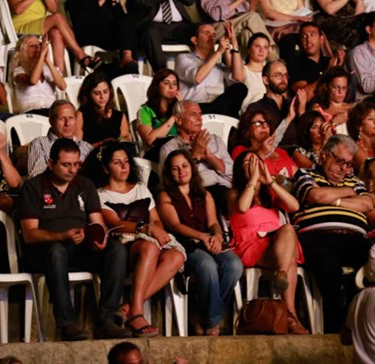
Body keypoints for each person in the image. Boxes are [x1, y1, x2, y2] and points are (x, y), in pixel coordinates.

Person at [19, 138, 132, 341]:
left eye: (75, 164)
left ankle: (107, 320)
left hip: (80, 248)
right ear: (51, 163)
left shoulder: (84, 184)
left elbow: (97, 223)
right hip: (44, 251)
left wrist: (101, 238)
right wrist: (61, 236)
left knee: (117, 250)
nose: (72, 170)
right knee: (56, 250)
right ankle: (67, 323)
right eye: (65, 165)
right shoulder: (33, 187)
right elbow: (29, 233)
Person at [92, 141, 185, 337]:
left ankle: (128, 307)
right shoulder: (100, 195)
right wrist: (146, 229)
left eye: (126, 161)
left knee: (176, 256)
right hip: (123, 245)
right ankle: (137, 314)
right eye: (117, 162)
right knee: (150, 248)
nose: (124, 166)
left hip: (149, 239)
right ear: (105, 167)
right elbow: (114, 223)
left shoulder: (141, 189)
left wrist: (155, 231)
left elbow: (157, 220)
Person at [291, 134, 374, 333]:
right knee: (329, 267)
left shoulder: (354, 180)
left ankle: (365, 320)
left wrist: (334, 200)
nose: (344, 169)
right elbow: (315, 195)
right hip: (317, 237)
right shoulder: (305, 174)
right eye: (340, 162)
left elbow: (368, 203)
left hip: (354, 239)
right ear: (323, 156)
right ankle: (336, 328)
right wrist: (347, 192)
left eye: (348, 165)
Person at [157, 149, 243, 336]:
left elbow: (213, 223)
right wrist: (203, 236)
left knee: (234, 265)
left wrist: (218, 236)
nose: (181, 171)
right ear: (169, 173)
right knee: (207, 265)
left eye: (185, 166)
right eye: (175, 168)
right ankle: (213, 322)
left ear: (192, 168)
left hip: (208, 240)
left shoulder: (204, 195)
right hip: (184, 244)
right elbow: (175, 224)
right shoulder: (165, 195)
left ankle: (204, 315)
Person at [229, 151, 308, 334]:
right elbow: (242, 207)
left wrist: (270, 182)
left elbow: (294, 206)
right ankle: (291, 317)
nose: (253, 165)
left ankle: (281, 275)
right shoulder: (233, 193)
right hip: (251, 246)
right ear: (240, 169)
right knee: (290, 260)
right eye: (248, 162)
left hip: (275, 245)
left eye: (256, 162)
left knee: (288, 229)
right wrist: (254, 179)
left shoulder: (270, 194)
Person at [159, 100, 234, 208]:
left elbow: (233, 174)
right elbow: (170, 186)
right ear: (179, 120)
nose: (199, 118)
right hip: (198, 196)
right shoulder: (169, 149)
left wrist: (210, 158)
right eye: (193, 114)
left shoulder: (215, 140)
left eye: (200, 114)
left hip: (226, 190)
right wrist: (194, 156)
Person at [174, 22, 248, 118]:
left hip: (219, 107)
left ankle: (221, 114)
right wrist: (219, 52)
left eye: (213, 35)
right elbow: (197, 78)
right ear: (194, 40)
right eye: (206, 33)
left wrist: (234, 44)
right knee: (231, 112)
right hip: (196, 108)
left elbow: (238, 78)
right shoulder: (183, 58)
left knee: (240, 88)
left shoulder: (219, 66)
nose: (212, 37)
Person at [246, 59, 307, 148]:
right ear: (266, 80)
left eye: (285, 75)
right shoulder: (256, 108)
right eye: (278, 75)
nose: (283, 79)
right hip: (275, 155)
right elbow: (266, 145)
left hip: (299, 152)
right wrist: (289, 118)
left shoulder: (294, 103)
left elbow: (306, 137)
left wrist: (302, 111)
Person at [27, 100, 93, 178]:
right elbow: (36, 178)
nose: (67, 124)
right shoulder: (39, 144)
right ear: (51, 121)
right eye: (61, 119)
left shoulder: (85, 146)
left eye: (71, 118)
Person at [232, 108, 299, 179]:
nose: (264, 126)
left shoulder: (280, 152)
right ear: (247, 129)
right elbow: (244, 178)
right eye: (258, 123)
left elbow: (298, 175)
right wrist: (262, 153)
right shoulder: (241, 151)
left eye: (267, 123)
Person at [288, 22, 346, 102]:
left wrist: (338, 68)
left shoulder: (329, 61)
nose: (308, 40)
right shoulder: (295, 64)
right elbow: (305, 96)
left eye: (313, 35)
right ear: (300, 41)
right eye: (304, 36)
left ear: (321, 40)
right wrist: (329, 72)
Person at [11, 34, 67, 115]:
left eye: (38, 45)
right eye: (32, 46)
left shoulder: (48, 69)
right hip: (30, 112)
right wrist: (41, 55)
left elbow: (63, 86)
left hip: (50, 111)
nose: (37, 49)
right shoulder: (19, 71)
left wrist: (48, 61)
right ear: (23, 50)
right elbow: (33, 81)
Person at [74, 71, 131, 148]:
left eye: (105, 92)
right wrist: (102, 143)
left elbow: (125, 142)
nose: (102, 97)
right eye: (97, 93)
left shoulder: (119, 116)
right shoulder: (81, 115)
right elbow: (77, 148)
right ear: (88, 94)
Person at [136, 68, 179, 161]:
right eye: (166, 83)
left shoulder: (181, 107)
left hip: (180, 153)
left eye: (175, 83)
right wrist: (174, 116)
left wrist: (182, 107)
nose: (171, 87)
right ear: (157, 86)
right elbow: (150, 140)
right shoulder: (145, 111)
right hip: (157, 156)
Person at [309, 66, 353, 134]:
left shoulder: (353, 108)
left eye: (344, 88)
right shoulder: (318, 110)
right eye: (336, 87)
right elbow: (316, 136)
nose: (340, 92)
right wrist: (334, 122)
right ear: (326, 86)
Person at [238, 33, 274, 112]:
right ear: (248, 49)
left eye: (265, 47)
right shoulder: (243, 70)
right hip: (251, 113)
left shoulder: (272, 71)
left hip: (271, 112)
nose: (261, 50)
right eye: (257, 46)